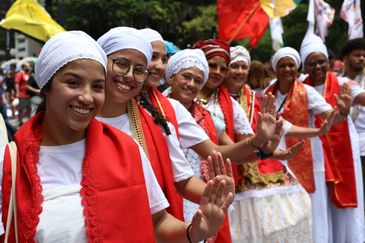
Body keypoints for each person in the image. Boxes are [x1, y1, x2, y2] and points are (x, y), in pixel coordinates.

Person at [0, 30, 233, 242]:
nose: (87, 97)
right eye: (73, 83)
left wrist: (195, 231)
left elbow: (158, 221)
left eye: (97, 86)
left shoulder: (128, 150)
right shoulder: (11, 162)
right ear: (46, 86)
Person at [265, 46, 351, 243]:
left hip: (310, 158)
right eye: (282, 65)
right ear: (275, 69)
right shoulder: (269, 91)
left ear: (297, 68)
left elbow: (330, 118)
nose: (287, 69)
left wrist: (343, 112)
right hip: (278, 158)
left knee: (313, 207)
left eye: (291, 65)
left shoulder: (307, 92)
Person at [301, 33, 365, 243]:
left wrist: (346, 107)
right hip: (316, 154)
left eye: (321, 62)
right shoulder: (300, 87)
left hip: (343, 151)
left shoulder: (342, 83)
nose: (318, 67)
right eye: (312, 63)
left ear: (328, 61)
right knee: (320, 203)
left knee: (344, 206)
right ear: (304, 65)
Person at [341, 37, 365, 170]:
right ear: (346, 58)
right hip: (344, 145)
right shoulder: (336, 80)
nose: (361, 58)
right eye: (357, 55)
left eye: (364, 55)